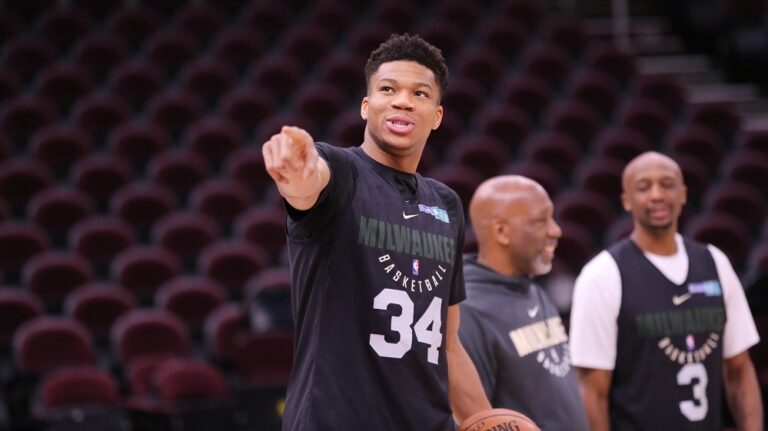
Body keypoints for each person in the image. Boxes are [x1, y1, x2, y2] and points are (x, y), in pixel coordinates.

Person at [261, 34, 490, 430]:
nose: (403, 101)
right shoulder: (340, 170)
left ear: (437, 116)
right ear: (366, 106)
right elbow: (308, 183)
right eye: (388, 89)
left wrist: (490, 421)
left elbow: (449, 346)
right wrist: (295, 172)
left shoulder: (446, 204)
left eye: (419, 93)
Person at [569, 151, 763, 430]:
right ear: (626, 201)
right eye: (643, 187)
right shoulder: (601, 275)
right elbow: (591, 391)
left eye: (667, 184)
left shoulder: (715, 263)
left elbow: (739, 370)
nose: (657, 195)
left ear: (683, 194)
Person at [458, 175, 589, 431]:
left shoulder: (529, 285)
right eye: (541, 221)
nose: (556, 230)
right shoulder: (469, 310)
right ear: (501, 232)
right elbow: (475, 421)